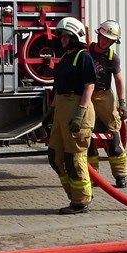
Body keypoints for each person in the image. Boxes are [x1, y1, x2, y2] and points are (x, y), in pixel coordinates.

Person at [47, 17, 97, 214]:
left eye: (66, 36)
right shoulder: (65, 58)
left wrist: (80, 114)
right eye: (61, 36)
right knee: (55, 157)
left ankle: (81, 200)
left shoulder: (83, 57)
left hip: (77, 109)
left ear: (76, 37)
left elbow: (89, 86)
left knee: (73, 159)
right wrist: (51, 112)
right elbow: (58, 89)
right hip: (61, 109)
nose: (62, 39)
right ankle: (75, 195)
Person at [86, 20, 127, 188]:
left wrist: (122, 103)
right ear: (98, 35)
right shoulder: (86, 50)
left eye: (109, 40)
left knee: (113, 134)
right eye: (104, 37)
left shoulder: (112, 58)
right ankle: (93, 176)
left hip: (104, 96)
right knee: (87, 135)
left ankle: (120, 175)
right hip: (86, 95)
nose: (105, 41)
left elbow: (118, 80)